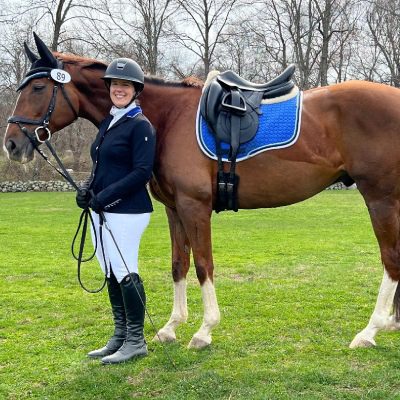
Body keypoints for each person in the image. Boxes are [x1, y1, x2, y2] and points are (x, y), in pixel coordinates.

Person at [76, 58, 156, 364]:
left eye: (125, 85)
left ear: (135, 90)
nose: (119, 89)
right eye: (115, 85)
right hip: (102, 209)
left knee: (125, 270)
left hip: (129, 211)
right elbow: (102, 166)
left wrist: (105, 196)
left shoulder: (141, 126)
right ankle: (120, 335)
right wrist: (87, 190)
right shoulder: (109, 122)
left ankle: (136, 340)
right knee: (109, 270)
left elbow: (141, 172)